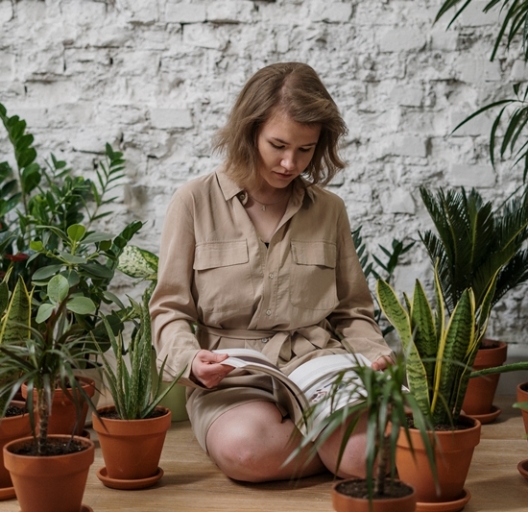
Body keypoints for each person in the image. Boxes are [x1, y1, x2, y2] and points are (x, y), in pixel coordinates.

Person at [149, 62, 393, 483]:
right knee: (248, 450)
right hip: (233, 376)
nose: (289, 162)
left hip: (319, 363)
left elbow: (351, 310)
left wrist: (374, 353)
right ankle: (330, 446)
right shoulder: (193, 201)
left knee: (365, 456)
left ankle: (338, 447)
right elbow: (169, 308)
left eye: (305, 149)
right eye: (277, 144)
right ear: (249, 133)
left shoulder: (329, 209)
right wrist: (191, 362)